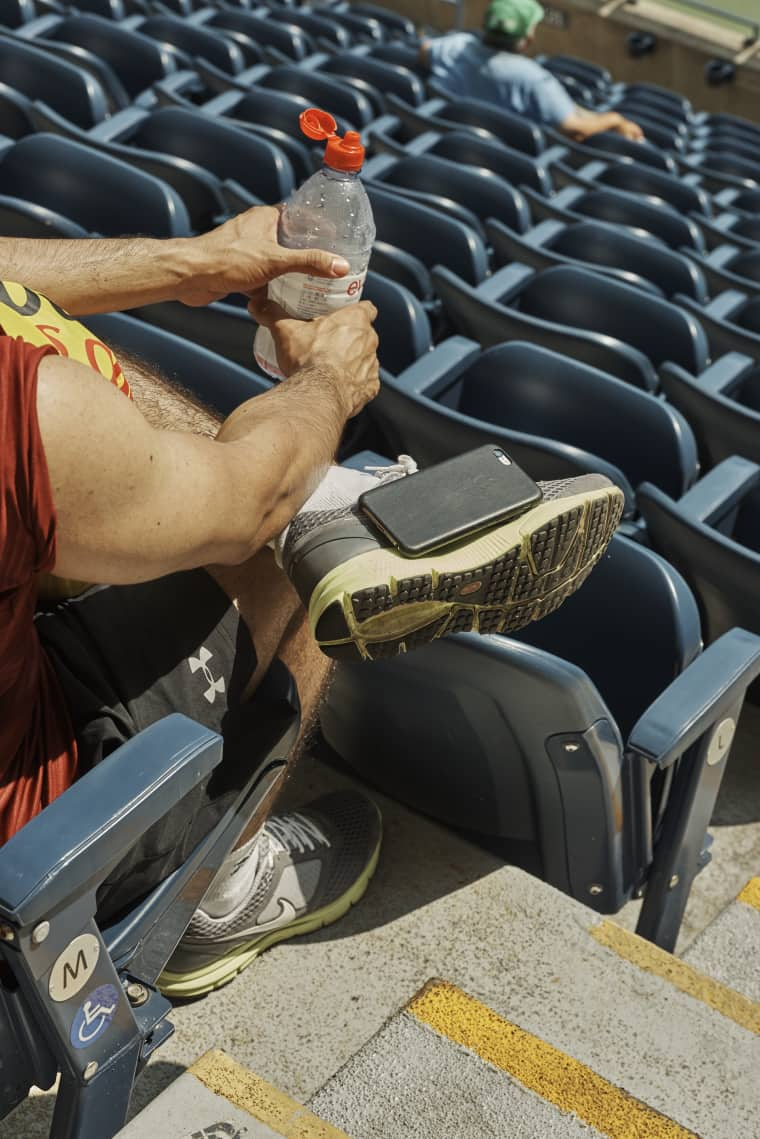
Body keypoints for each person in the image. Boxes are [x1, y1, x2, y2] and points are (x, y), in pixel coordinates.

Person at [0, 206, 623, 998]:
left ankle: (342, 506)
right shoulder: (22, 413)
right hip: (33, 862)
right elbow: (248, 505)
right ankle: (218, 897)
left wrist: (197, 260)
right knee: (288, 528)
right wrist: (324, 384)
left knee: (48, 343)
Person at [420, 0, 645, 142]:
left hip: (441, 137)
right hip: (495, 158)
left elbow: (424, 51)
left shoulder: (457, 45)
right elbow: (576, 130)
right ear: (527, 41)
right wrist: (614, 120)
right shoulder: (534, 79)